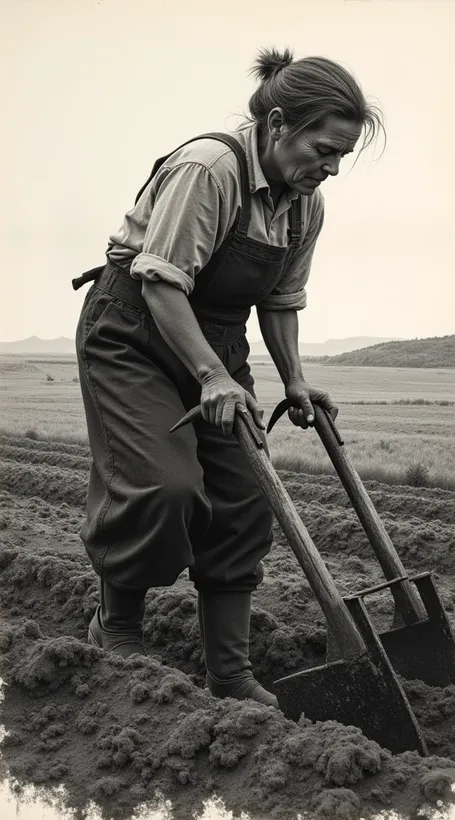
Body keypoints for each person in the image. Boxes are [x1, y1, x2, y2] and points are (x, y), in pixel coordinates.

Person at [73, 47, 384, 709]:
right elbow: (160, 281)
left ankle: (231, 674)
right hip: (133, 331)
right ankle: (118, 627)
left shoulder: (306, 205)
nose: (329, 169)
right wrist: (213, 378)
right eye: (324, 150)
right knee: (165, 485)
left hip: (213, 338)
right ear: (278, 126)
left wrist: (295, 380)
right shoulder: (210, 169)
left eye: (341, 157)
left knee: (243, 500)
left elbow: (278, 301)